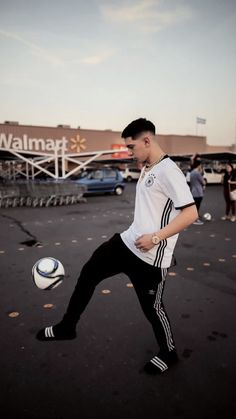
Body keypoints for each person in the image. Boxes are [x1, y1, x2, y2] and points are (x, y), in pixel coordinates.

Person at [37, 118, 198, 374]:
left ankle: (169, 352)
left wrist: (155, 238)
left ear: (147, 141)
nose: (129, 152)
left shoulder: (169, 171)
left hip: (151, 257)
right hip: (127, 243)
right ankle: (67, 327)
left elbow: (190, 214)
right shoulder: (147, 165)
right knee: (89, 272)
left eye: (131, 147)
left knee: (153, 308)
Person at [190, 161, 205, 225]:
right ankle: (195, 219)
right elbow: (203, 182)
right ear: (198, 165)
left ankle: (195, 217)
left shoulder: (191, 172)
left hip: (193, 191)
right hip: (198, 192)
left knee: (195, 206)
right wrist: (201, 172)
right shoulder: (197, 173)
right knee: (197, 206)